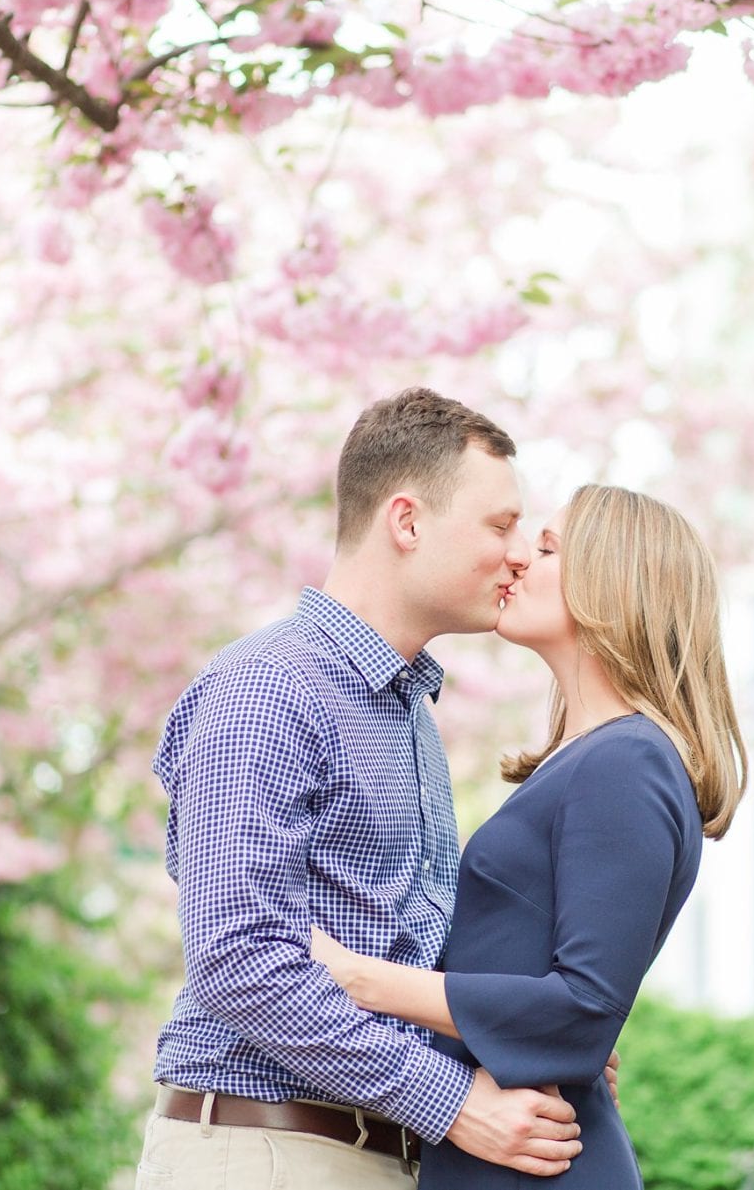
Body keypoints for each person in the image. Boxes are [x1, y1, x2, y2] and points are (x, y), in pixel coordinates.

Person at [136, 388, 590, 1190]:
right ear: (408, 522)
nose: (521, 552)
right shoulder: (268, 690)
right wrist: (453, 1101)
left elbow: (406, 955)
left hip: (365, 1155)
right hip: (266, 1153)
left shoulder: (404, 711)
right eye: (499, 524)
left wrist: (535, 1038)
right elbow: (239, 961)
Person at [312, 482, 748, 1189]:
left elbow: (582, 1008)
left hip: (537, 1162)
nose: (517, 560)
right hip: (508, 1147)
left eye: (545, 547)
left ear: (610, 582)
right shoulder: (593, 759)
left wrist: (362, 978)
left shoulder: (626, 761)